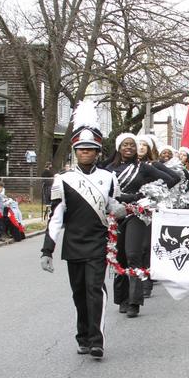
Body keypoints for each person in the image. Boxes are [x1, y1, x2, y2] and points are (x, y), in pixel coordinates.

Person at [40, 109, 123, 358]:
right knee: (79, 293)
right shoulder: (63, 179)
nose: (85, 153)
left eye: (90, 149)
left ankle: (97, 340)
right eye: (80, 149)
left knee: (95, 290)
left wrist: (118, 210)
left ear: (97, 152)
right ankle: (83, 337)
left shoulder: (109, 177)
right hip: (73, 244)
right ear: (75, 152)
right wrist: (47, 249)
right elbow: (56, 217)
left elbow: (113, 206)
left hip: (98, 242)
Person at [106, 133, 180, 317]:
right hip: (115, 216)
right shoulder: (108, 169)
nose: (129, 147)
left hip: (136, 214)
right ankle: (122, 299)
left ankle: (134, 301)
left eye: (132, 144)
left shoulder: (144, 168)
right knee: (119, 256)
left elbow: (173, 179)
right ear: (119, 148)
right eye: (125, 144)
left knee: (133, 255)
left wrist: (148, 195)